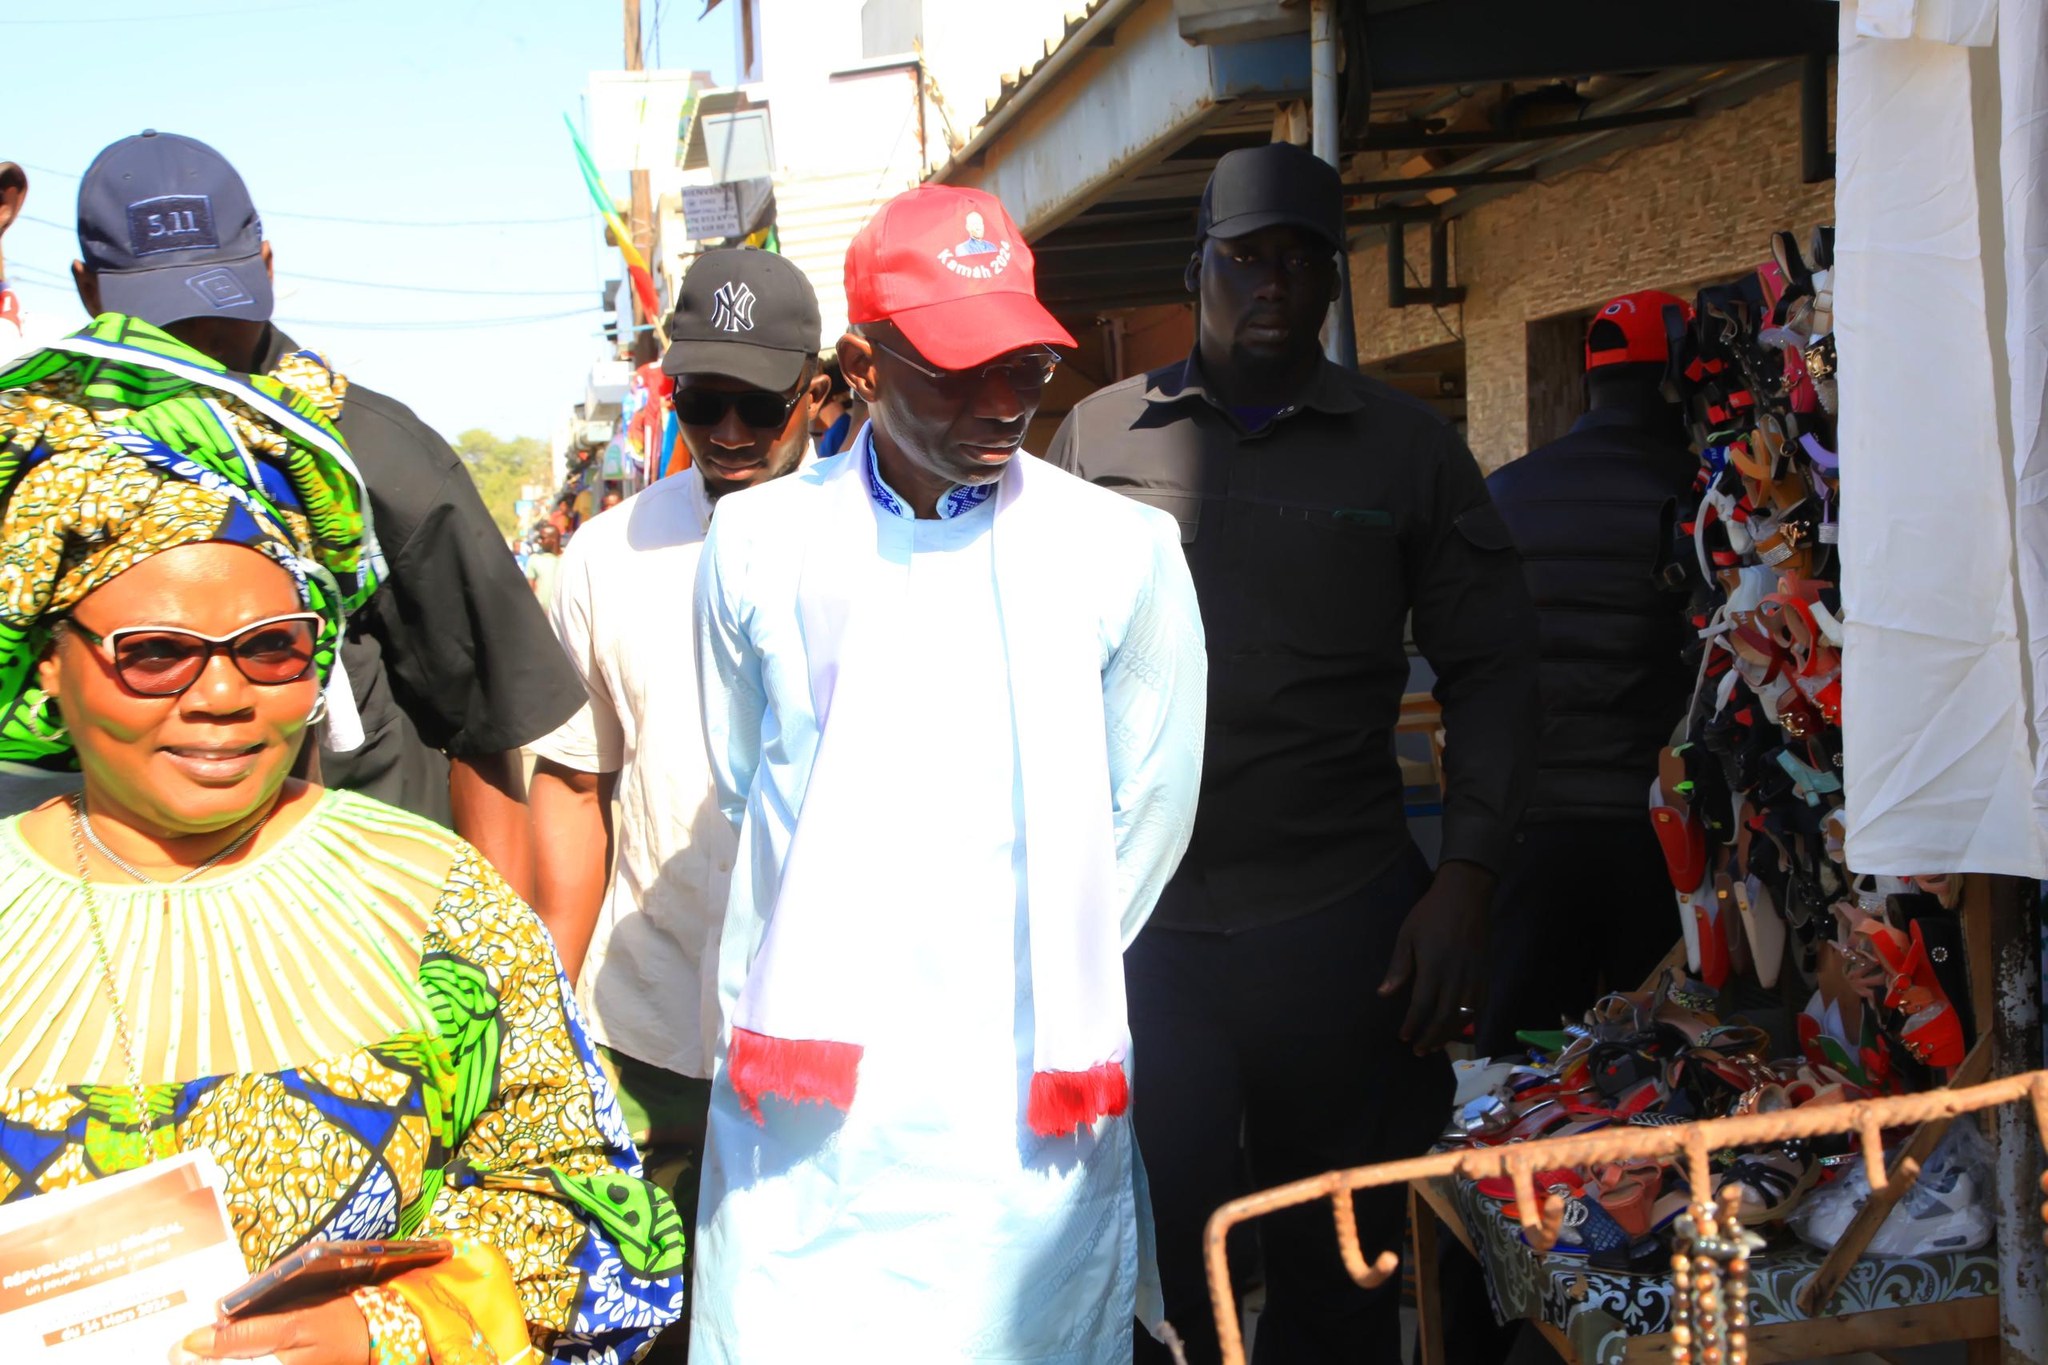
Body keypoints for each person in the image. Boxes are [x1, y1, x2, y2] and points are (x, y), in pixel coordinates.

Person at [0, 315, 685, 1363]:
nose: (221, 697)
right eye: (155, 655)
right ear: (52, 658)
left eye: (274, 649)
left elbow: (600, 1227)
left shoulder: (434, 902)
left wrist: (391, 1328)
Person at [690, 185, 1206, 1361]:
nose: (1001, 404)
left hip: (1019, 1111)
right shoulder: (757, 546)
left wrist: (1005, 965)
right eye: (958, 370)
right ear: (863, 365)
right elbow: (744, 785)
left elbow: (1151, 816)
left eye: (1021, 368)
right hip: (809, 1124)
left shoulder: (1119, 553)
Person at [1048, 141, 1539, 1364]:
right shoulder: (1096, 438)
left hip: (1337, 932)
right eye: (1245, 257)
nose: (1273, 282)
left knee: (1338, 1270)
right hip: (1136, 935)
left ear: (1332, 283)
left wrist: (1467, 877)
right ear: (1196, 267)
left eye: (1301, 260)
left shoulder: (1404, 450)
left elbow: (1495, 666)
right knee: (1144, 1269)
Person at [59, 130, 584, 897]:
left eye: (217, 311)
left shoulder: (376, 456)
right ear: (88, 291)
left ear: (267, 270)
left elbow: (484, 735)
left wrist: (498, 982)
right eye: (161, 322)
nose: (198, 350)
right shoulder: (50, 469)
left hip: (362, 917)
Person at [530, 246, 828, 1356]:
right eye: (705, 402)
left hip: (830, 1043)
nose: (734, 431)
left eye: (759, 401)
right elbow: (571, 785)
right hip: (650, 1038)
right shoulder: (603, 559)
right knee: (643, 1333)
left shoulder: (883, 542)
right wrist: (545, 1012)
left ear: (820, 388)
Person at [526, 523, 562, 612]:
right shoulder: (534, 559)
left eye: (543, 538)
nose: (539, 541)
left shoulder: (567, 559)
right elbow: (530, 590)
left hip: (561, 615)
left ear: (553, 540)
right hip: (541, 615)